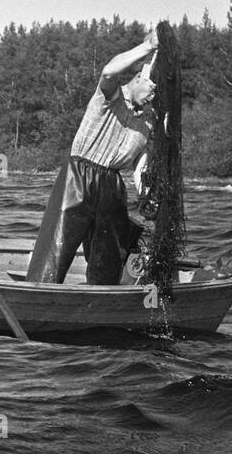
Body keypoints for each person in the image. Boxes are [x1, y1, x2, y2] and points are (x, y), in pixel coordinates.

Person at [25, 27, 159, 285]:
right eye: (152, 88)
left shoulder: (147, 124)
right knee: (56, 248)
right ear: (138, 80)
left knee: (108, 259)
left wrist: (146, 197)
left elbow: (140, 166)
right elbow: (109, 71)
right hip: (78, 178)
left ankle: (102, 299)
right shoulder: (110, 96)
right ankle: (38, 291)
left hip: (112, 186)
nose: (153, 94)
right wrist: (147, 48)